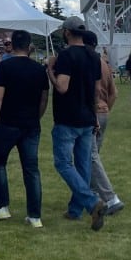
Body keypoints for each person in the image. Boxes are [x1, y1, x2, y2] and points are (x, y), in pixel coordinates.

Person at [46, 16, 107, 231]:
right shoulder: (94, 56)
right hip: (87, 117)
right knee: (83, 165)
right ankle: (75, 210)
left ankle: (91, 202)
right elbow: (97, 90)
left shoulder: (66, 55)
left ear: (67, 32)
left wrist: (50, 70)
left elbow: (62, 87)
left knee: (63, 163)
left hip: (67, 117)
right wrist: (94, 115)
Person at [0, 30, 49, 228]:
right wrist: (36, 117)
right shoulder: (39, 69)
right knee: (31, 169)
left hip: (7, 123)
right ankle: (35, 216)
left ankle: (2, 206)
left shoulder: (5, 67)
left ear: (11, 45)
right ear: (29, 46)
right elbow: (44, 99)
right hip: (31, 124)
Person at [84, 31, 124, 215]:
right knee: (92, 156)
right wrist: (106, 108)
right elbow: (114, 93)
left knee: (91, 156)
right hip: (104, 112)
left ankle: (110, 198)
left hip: (93, 113)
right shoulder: (105, 65)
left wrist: (96, 110)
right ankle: (93, 195)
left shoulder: (90, 63)